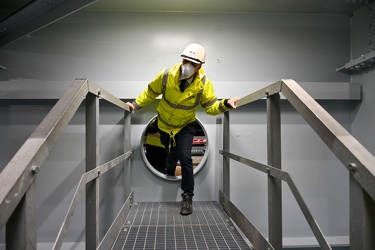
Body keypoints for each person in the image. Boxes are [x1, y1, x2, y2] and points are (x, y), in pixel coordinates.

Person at [127, 43, 239, 215]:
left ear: (199, 66)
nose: (188, 65)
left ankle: (187, 196)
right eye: (186, 60)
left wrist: (225, 104)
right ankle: (169, 169)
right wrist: (134, 105)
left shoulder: (203, 83)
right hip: (164, 125)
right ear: (182, 59)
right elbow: (150, 92)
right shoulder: (166, 76)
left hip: (186, 125)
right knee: (170, 154)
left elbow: (211, 107)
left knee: (185, 158)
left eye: (193, 63)